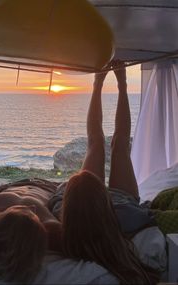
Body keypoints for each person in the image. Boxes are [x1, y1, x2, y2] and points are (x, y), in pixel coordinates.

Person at [59, 63, 160, 284]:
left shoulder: (61, 221)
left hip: (87, 200)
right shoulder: (131, 219)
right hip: (121, 201)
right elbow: (149, 216)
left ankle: (98, 83)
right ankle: (121, 84)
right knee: (118, 145)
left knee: (96, 145)